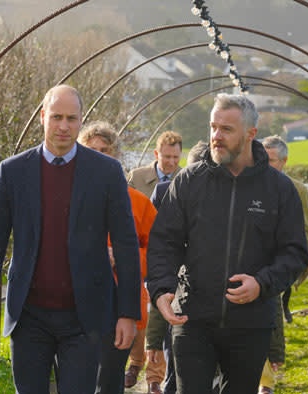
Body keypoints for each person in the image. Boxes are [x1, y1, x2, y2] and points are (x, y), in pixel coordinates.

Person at [0, 85, 141, 394]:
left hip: (85, 317)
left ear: (80, 121)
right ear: (42, 118)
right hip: (29, 315)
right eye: (56, 117)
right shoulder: (13, 172)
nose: (64, 126)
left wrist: (128, 314)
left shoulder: (106, 172)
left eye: (72, 119)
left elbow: (126, 243)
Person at [147, 93, 308, 394]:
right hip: (191, 318)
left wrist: (262, 283)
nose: (216, 137)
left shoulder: (279, 189)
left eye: (226, 129)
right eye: (213, 127)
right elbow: (163, 243)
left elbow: (296, 253)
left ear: (250, 134)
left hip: (250, 324)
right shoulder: (188, 182)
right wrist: (162, 289)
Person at [77, 121, 157, 394]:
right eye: (92, 149)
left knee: (109, 380)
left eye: (105, 149)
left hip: (120, 301)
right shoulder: (69, 197)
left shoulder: (138, 202)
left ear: (116, 156)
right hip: (75, 301)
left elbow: (159, 253)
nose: (98, 154)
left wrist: (123, 258)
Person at [147, 140, 208, 394]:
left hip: (218, 310)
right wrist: (152, 339)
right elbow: (157, 264)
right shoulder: (164, 194)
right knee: (178, 374)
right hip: (178, 305)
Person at [126, 130, 183, 393]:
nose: (171, 162)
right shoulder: (137, 178)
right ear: (156, 154)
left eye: (176, 157)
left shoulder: (187, 179)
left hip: (169, 256)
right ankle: (136, 363)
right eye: (167, 156)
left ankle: (154, 379)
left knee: (162, 312)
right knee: (142, 317)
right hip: (141, 253)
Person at [258, 135, 308, 394]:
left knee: (271, 317)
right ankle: (262, 378)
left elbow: (305, 231)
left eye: (271, 161)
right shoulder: (250, 183)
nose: (266, 165)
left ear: (284, 161)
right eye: (263, 158)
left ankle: (267, 377)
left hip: (279, 266)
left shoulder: (295, 188)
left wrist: (297, 268)